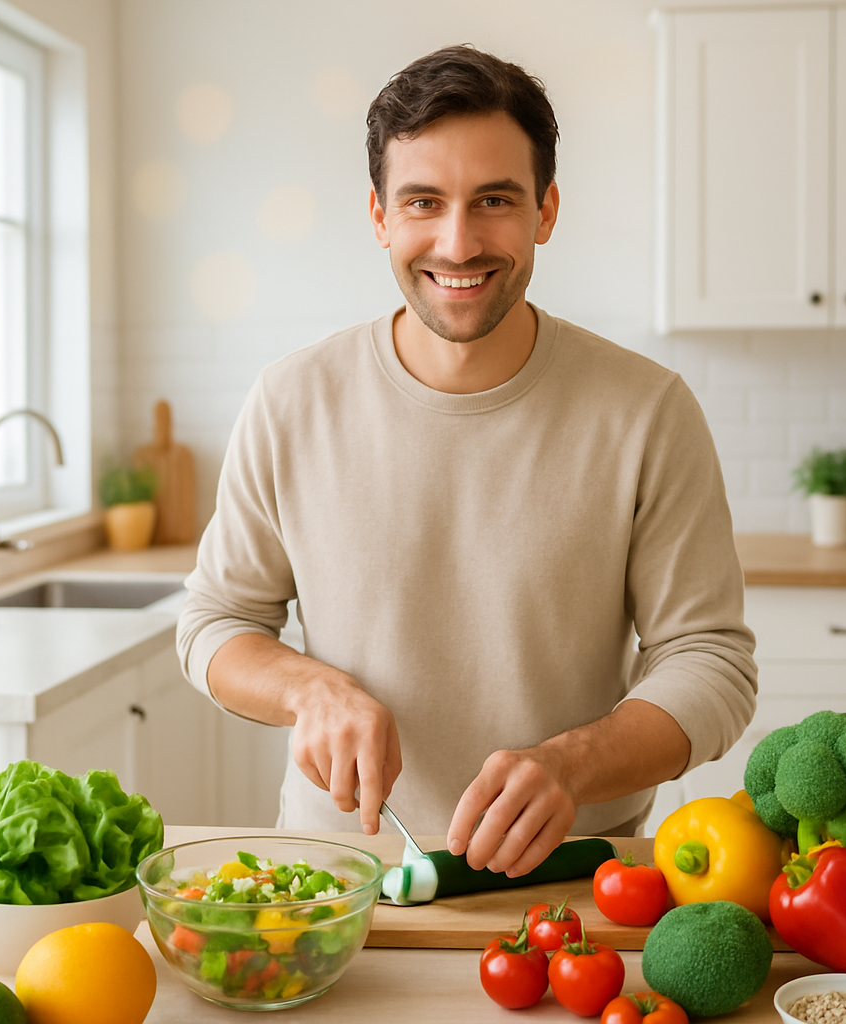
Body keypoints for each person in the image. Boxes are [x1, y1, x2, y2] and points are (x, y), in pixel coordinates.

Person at [177, 44, 757, 878]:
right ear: (379, 216)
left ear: (545, 211)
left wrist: (574, 764)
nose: (457, 242)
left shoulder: (647, 410)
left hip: (580, 882)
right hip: (341, 880)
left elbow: (710, 660)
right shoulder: (290, 400)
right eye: (423, 201)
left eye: (494, 200)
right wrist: (310, 689)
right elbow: (215, 623)